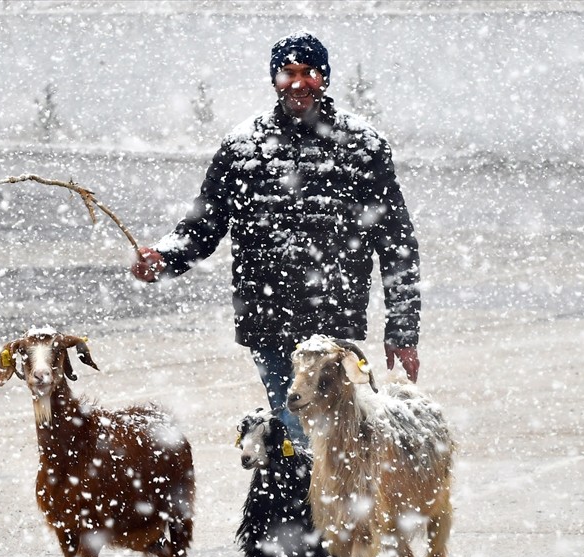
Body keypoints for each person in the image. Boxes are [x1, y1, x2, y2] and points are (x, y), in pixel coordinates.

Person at [131, 32, 421, 442]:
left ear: (325, 78)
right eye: (289, 72)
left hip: (331, 322)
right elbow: (203, 226)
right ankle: (307, 502)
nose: (299, 82)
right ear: (275, 79)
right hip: (267, 316)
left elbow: (396, 241)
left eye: (310, 73)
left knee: (330, 439)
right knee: (296, 431)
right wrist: (162, 259)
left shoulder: (361, 145)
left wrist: (403, 331)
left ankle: (320, 503)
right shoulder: (243, 146)